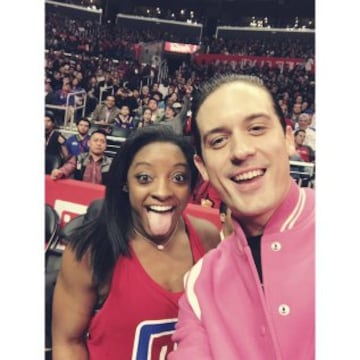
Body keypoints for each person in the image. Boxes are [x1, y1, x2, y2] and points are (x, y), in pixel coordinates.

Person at [169, 74, 315, 359]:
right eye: (219, 140)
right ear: (202, 166)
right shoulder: (201, 283)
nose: (241, 151)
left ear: (287, 138)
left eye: (257, 128)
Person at [51, 126, 220, 359]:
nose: (162, 191)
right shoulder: (91, 250)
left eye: (178, 178)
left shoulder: (207, 237)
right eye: (144, 178)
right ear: (125, 183)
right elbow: (67, 343)